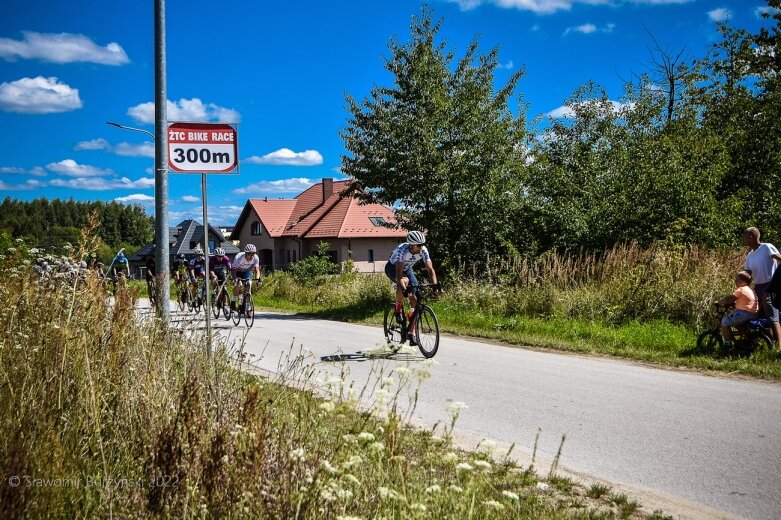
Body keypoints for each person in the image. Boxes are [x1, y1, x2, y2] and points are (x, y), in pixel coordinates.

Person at [385, 230, 440, 346]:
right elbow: (399, 273)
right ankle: (398, 308)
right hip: (393, 268)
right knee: (404, 281)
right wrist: (404, 288)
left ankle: (411, 332)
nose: (421, 247)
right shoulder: (402, 250)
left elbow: (430, 270)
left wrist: (435, 286)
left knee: (414, 300)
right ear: (412, 245)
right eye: (419, 245)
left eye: (422, 244)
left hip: (407, 269)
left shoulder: (423, 250)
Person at [743, 227, 781, 349]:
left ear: (751, 236)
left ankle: (778, 347)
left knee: (772, 316)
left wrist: (777, 281)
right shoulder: (749, 255)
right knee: (760, 317)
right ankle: (769, 344)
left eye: (745, 236)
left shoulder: (767, 247)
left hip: (770, 285)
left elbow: (780, 259)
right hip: (758, 287)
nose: (743, 239)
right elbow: (747, 274)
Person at [716, 271, 759, 348]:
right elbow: (745, 302)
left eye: (736, 280)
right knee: (738, 324)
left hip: (744, 314)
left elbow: (729, 299)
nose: (735, 281)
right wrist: (735, 305)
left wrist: (719, 302)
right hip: (753, 314)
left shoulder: (741, 289)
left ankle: (727, 344)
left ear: (741, 281)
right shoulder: (750, 290)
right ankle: (746, 340)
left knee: (724, 322)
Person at [230, 243, 261, 311]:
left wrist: (258, 279)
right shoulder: (239, 257)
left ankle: (248, 307)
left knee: (249, 284)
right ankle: (233, 300)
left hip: (246, 271)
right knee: (239, 284)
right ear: (246, 253)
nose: (252, 256)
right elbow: (233, 271)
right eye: (250, 254)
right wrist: (235, 279)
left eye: (253, 254)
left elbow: (257, 270)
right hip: (237, 271)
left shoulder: (256, 258)